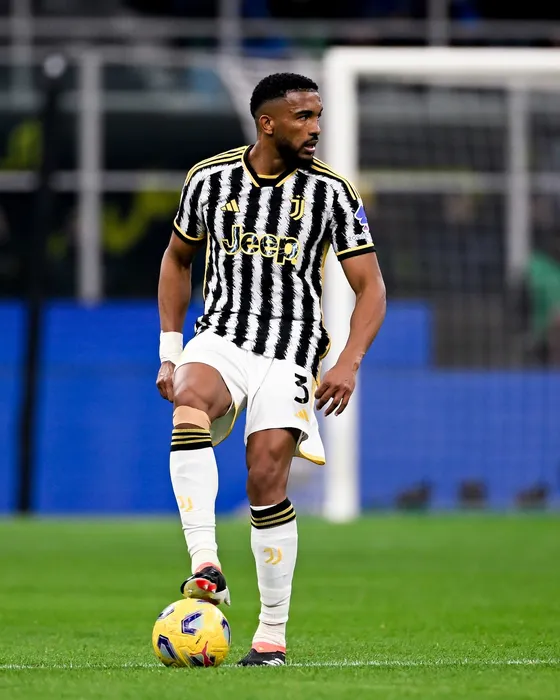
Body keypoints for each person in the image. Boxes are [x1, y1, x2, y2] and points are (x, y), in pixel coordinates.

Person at [156, 72, 386, 666]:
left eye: (318, 116)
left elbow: (371, 287)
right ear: (267, 123)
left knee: (265, 479)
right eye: (303, 117)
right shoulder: (209, 179)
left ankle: (271, 636)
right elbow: (177, 259)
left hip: (290, 351)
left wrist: (348, 362)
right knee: (189, 397)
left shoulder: (333, 192)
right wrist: (170, 350)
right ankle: (206, 563)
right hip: (222, 336)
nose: (315, 128)